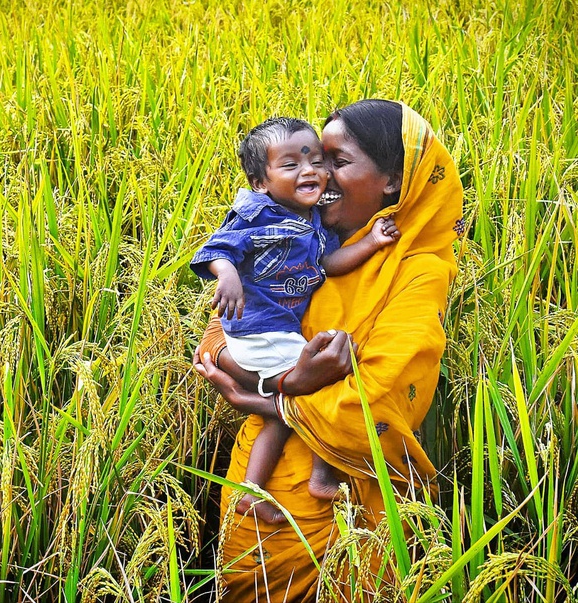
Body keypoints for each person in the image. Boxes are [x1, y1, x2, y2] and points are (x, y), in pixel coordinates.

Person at [193, 100, 463, 601]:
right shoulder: (296, 236)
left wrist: (270, 400)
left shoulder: (417, 270)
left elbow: (379, 397)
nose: (319, 175)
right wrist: (281, 384)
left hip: (344, 514)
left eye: (335, 161)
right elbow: (216, 344)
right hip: (258, 492)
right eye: (314, 158)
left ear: (391, 179)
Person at [190, 117, 400, 524]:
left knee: (281, 417)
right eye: (291, 165)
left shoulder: (315, 221)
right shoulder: (257, 214)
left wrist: (373, 241)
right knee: (332, 377)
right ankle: (322, 471)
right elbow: (216, 250)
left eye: (317, 160)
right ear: (260, 183)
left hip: (275, 333)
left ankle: (253, 491)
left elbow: (329, 264)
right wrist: (229, 276)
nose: (310, 171)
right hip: (259, 331)